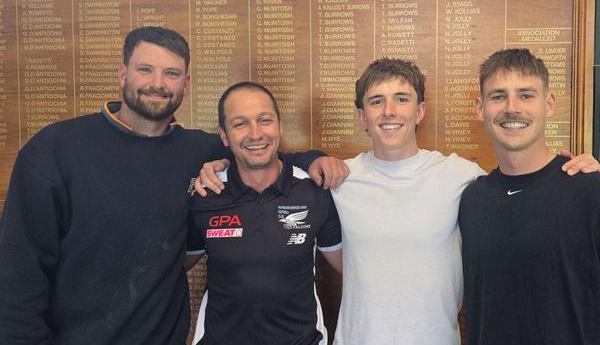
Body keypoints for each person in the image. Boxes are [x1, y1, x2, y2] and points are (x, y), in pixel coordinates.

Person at [195, 59, 600, 344]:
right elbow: (282, 164)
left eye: (402, 99)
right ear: (362, 117)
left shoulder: (461, 176)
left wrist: (575, 169)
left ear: (420, 110)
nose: (389, 112)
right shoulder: (337, 179)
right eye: (376, 102)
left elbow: (522, 185)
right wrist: (220, 166)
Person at [0, 27, 346, 345]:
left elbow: (262, 155)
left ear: (185, 84)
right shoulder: (55, 150)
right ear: (122, 73)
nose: (157, 83)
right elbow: (17, 273)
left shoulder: (196, 149)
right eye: (145, 69)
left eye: (171, 73)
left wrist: (316, 160)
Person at [459, 48, 600, 345]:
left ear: (548, 104)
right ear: (480, 108)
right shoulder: (471, 201)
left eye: (526, 95)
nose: (512, 107)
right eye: (498, 96)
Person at [185, 82, 342, 345]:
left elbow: (351, 265)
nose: (255, 134)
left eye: (264, 120)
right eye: (240, 124)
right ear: (223, 136)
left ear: (279, 126)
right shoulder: (205, 193)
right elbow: (174, 264)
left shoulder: (314, 190)